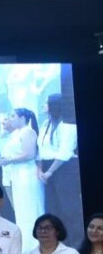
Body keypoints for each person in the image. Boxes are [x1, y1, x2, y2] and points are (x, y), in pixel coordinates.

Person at [0, 108, 44, 250]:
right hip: (17, 173)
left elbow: (29, 154)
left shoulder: (28, 132)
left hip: (26, 173)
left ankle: (34, 243)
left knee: (28, 207)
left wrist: (10, 160)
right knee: (21, 209)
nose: (10, 119)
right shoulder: (16, 133)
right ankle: (25, 242)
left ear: (22, 118)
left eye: (13, 116)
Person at [37, 94, 82, 244]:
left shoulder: (68, 124)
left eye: (46, 102)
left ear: (54, 105)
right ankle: (58, 240)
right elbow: (42, 149)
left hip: (65, 168)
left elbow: (65, 151)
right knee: (53, 206)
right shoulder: (46, 123)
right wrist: (41, 170)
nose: (43, 105)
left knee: (68, 206)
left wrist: (50, 171)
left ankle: (75, 241)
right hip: (48, 167)